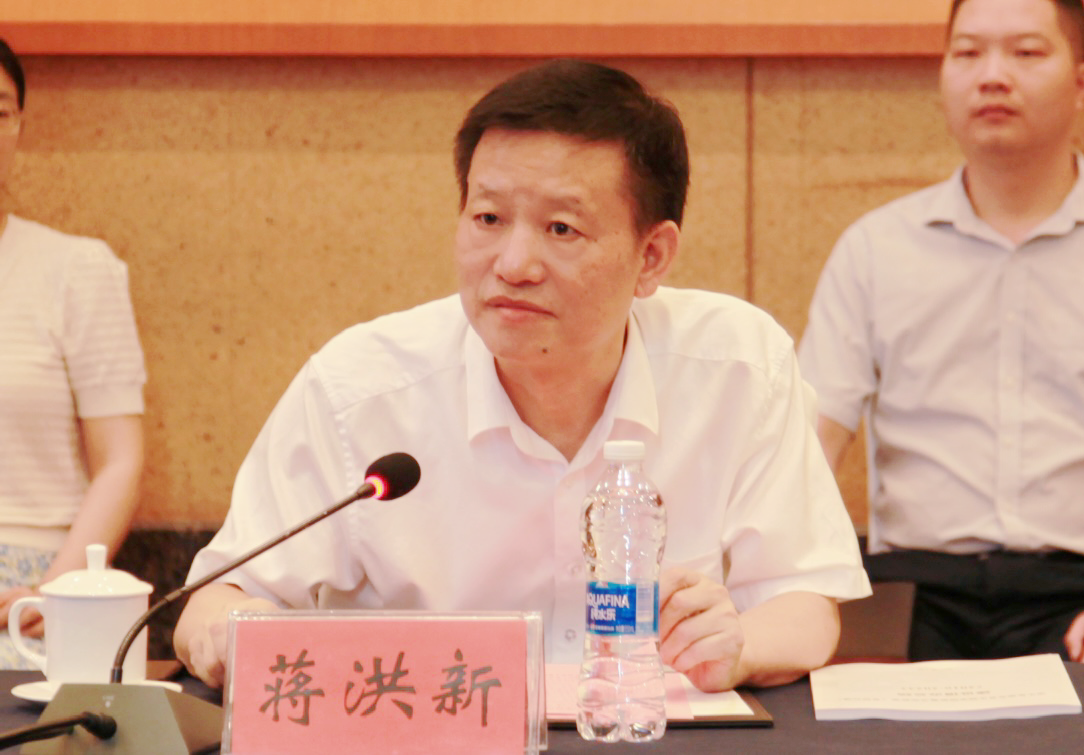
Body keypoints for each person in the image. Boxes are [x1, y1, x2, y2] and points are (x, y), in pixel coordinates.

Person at [174, 59, 870, 691]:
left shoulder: (740, 367)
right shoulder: (359, 391)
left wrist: (738, 644)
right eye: (488, 217)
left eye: (561, 229)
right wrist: (232, 633)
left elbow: (804, 602)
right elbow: (212, 600)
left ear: (652, 256)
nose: (512, 264)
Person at [799, 0, 1084, 664]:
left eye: (1026, 53)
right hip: (913, 593)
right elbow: (807, 443)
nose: (993, 76)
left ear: (1083, 83)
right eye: (969, 52)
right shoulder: (877, 248)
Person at [0, 39, 146, 668]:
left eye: (0, 112)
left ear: (19, 126)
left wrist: (55, 592)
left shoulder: (75, 270)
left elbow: (121, 459)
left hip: (34, 585)